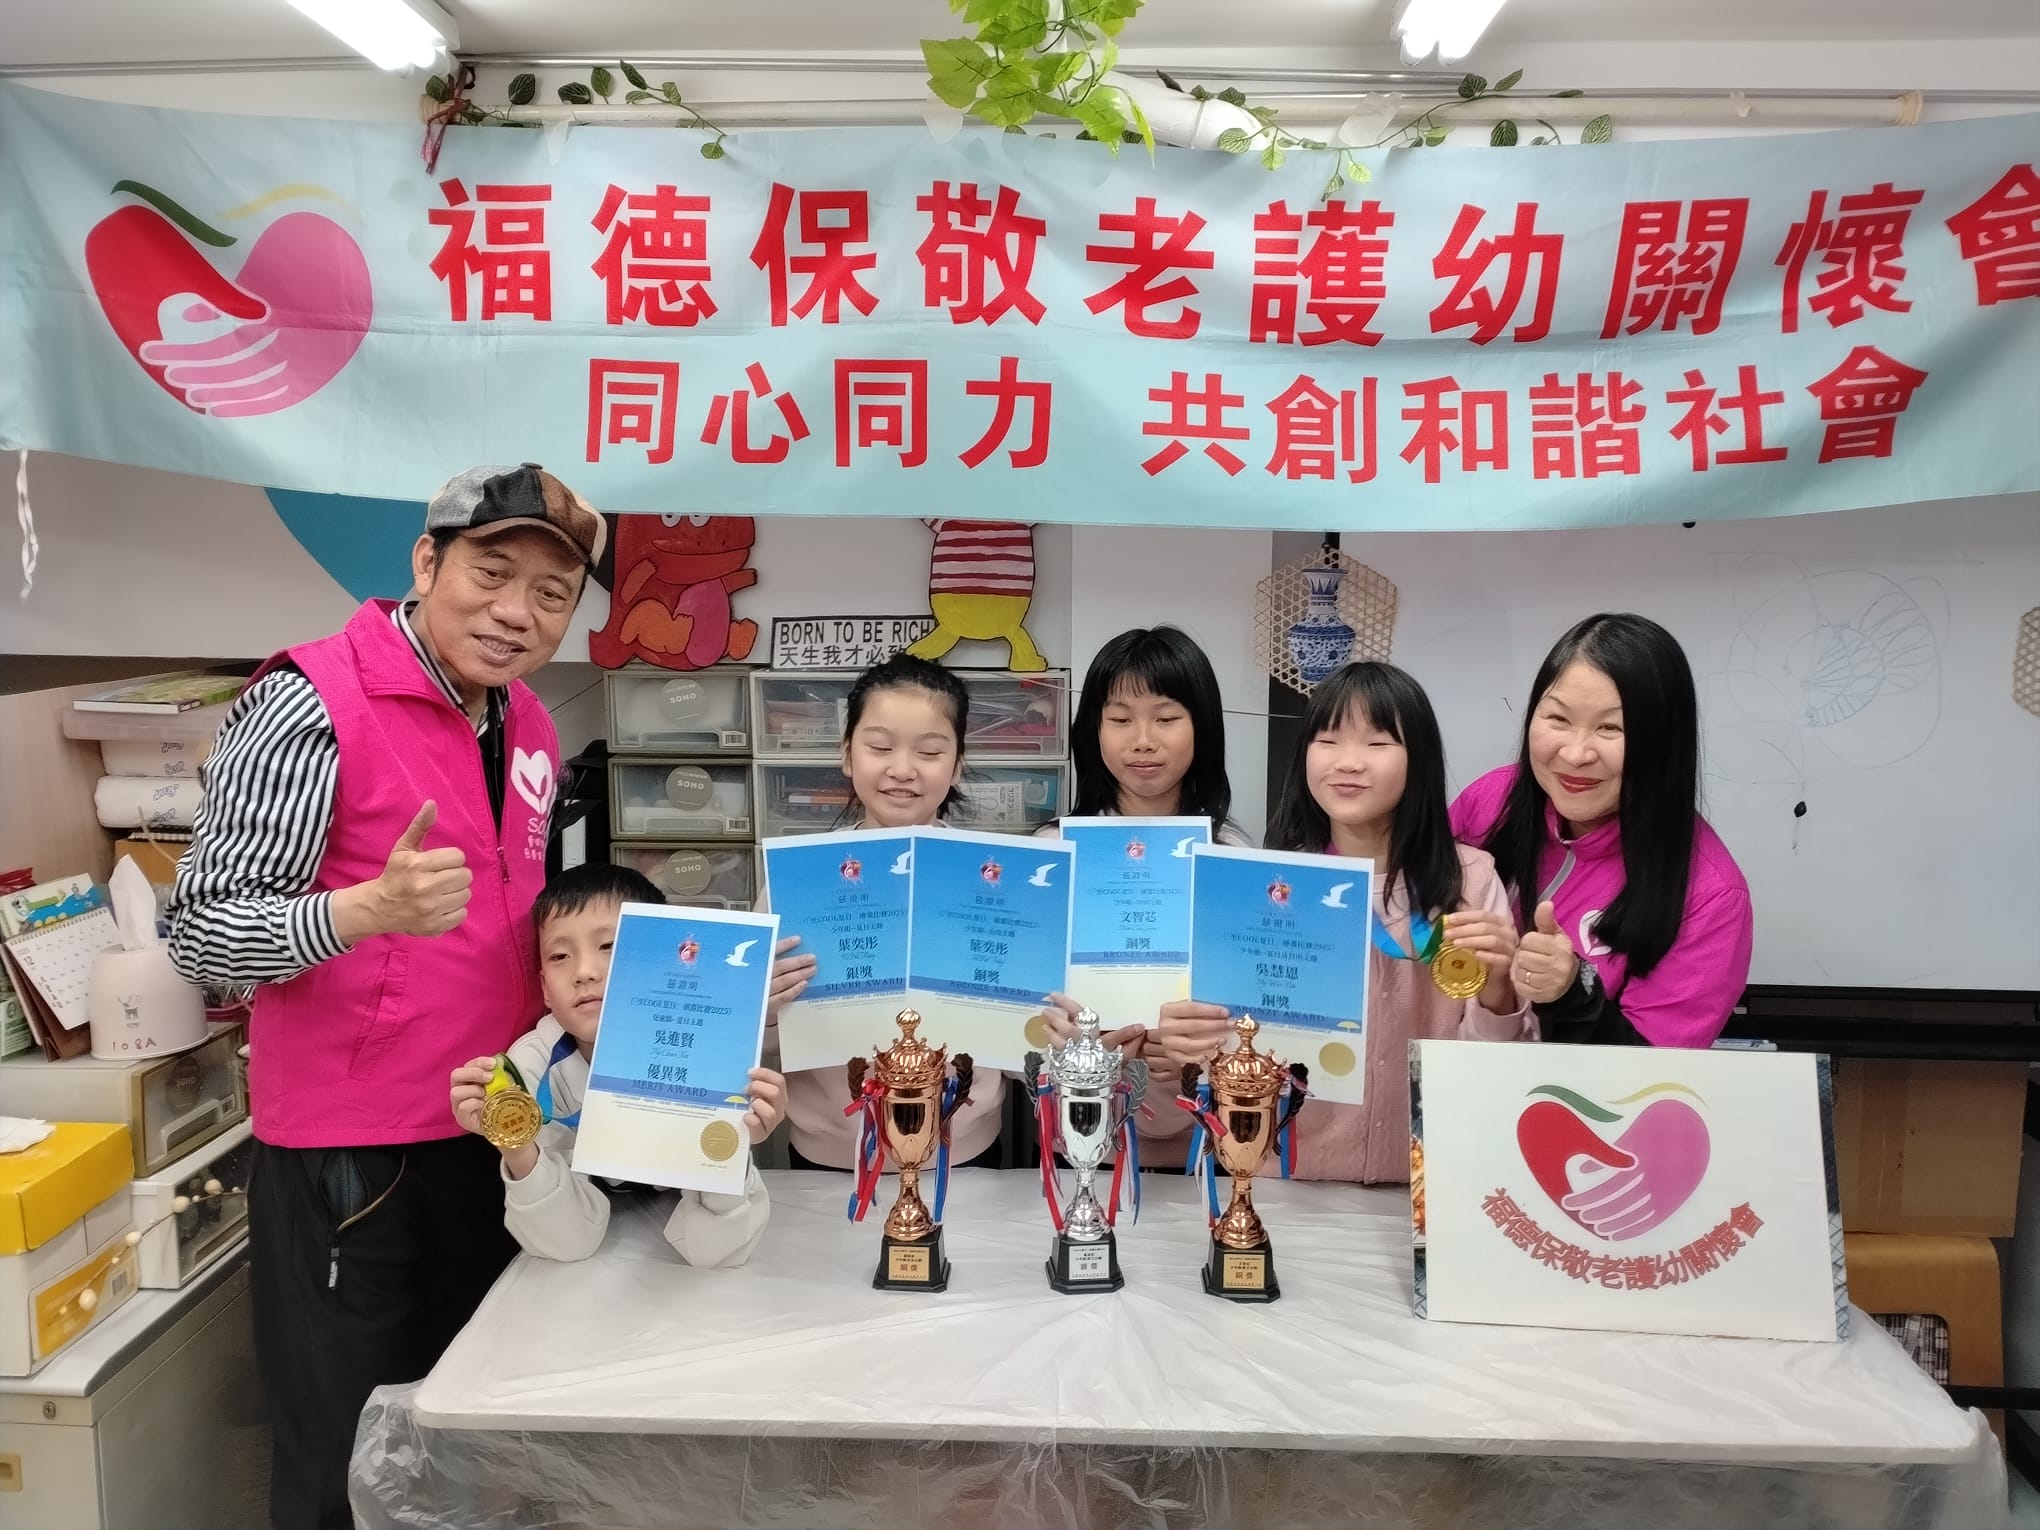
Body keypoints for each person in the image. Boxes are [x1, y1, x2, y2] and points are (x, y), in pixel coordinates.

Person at [167, 463, 602, 1530]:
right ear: (425, 562)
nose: (517, 612)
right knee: (348, 1458)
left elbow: (520, 925)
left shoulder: (529, 721)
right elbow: (201, 933)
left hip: (496, 1127)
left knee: (469, 1442)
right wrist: (361, 911)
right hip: (354, 1161)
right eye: (491, 574)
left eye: (551, 594)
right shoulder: (309, 701)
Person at [1154, 662, 1532, 1185]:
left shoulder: (1472, 881)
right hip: (1289, 1184)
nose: (1348, 762)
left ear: (1419, 758)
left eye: (1377, 743)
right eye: (1328, 740)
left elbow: (1497, 1073)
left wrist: (1497, 994)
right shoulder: (1270, 886)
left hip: (1431, 1189)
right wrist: (1192, 1045)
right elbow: (1235, 1054)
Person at [448, 863, 783, 1265]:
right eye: (559, 955)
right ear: (545, 990)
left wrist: (733, 1149)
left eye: (608, 946)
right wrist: (514, 1144)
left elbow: (718, 1252)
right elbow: (566, 1242)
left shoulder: (709, 1051)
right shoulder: (533, 1069)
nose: (584, 972)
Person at [1451, 613, 1754, 1048]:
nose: (1576, 754)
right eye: (1558, 719)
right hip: (1438, 1072)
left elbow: (1654, 1076)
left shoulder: (1711, 895)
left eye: (1611, 727)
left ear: (1664, 741)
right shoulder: (1492, 800)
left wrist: (1573, 992)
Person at [762, 653, 1010, 1169]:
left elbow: (1025, 1045)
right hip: (831, 1159)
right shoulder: (797, 879)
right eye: (879, 747)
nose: (902, 769)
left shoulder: (995, 878)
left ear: (956, 765)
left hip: (963, 1156)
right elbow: (747, 1034)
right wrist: (761, 1010)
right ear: (847, 755)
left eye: (930, 751)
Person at [1036, 626, 1250, 1165]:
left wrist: (1204, 1053)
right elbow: (1018, 1016)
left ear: (1202, 727)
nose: (1143, 740)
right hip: (1082, 1138)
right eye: (1120, 719)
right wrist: (1061, 1040)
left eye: (1166, 718)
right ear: (1093, 729)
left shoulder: (1232, 855)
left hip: (1208, 1145)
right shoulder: (1052, 853)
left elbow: (1253, 1015)